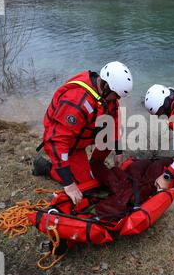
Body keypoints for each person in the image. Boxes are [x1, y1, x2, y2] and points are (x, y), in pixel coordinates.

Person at [32, 61, 133, 205]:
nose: (117, 100)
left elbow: (114, 120)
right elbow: (56, 141)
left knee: (110, 133)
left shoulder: (107, 96)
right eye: (116, 96)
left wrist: (118, 151)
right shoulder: (76, 100)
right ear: (106, 86)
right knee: (86, 188)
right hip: (67, 144)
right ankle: (45, 167)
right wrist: (68, 184)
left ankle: (95, 163)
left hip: (83, 135)